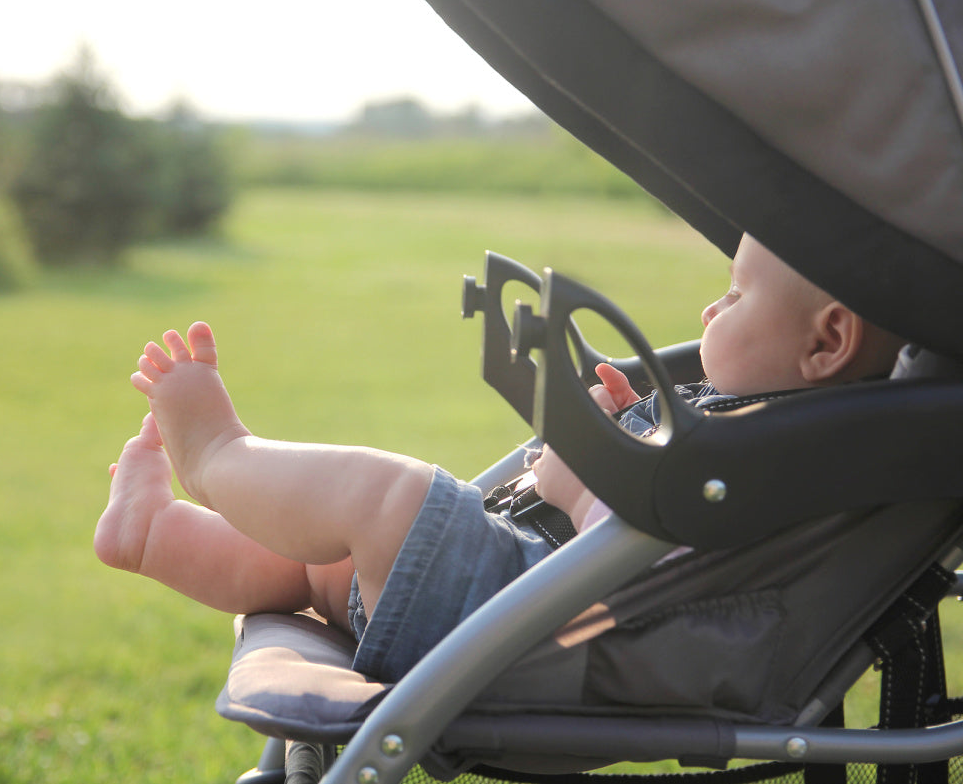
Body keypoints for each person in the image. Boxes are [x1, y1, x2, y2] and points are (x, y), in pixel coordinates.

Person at [94, 233, 904, 681]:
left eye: (734, 295)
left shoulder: (797, 462)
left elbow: (665, 579)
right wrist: (630, 431)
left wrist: (589, 484)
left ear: (827, 340)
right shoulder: (776, 423)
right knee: (312, 569)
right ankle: (159, 534)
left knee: (387, 497)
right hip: (516, 597)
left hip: (546, 635)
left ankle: (217, 453)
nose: (709, 307)